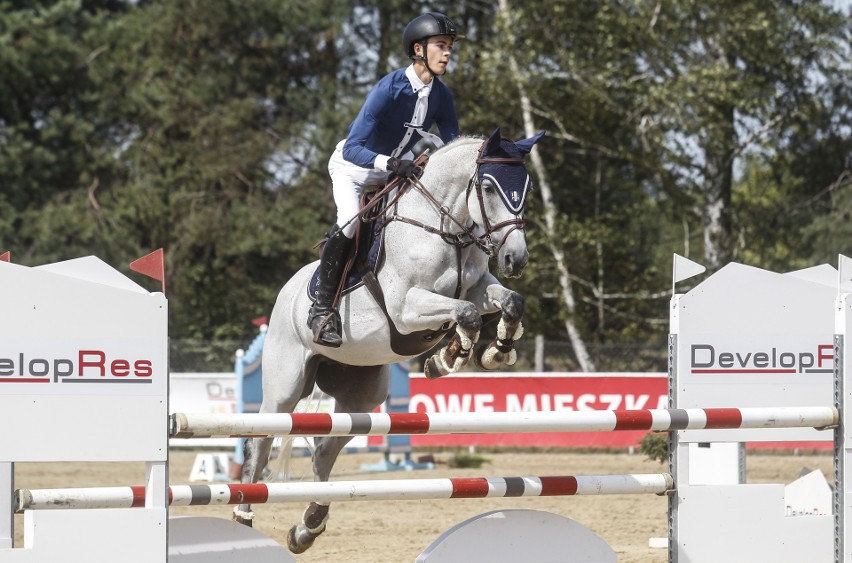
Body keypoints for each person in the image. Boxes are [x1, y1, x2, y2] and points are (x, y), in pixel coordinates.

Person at [307, 12, 462, 347]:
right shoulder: (388, 89)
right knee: (350, 224)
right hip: (354, 170)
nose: (447, 53)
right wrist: (393, 163)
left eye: (449, 47)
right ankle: (322, 309)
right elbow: (352, 148)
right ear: (419, 49)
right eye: (441, 46)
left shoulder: (441, 96)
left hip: (395, 169)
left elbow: (453, 146)